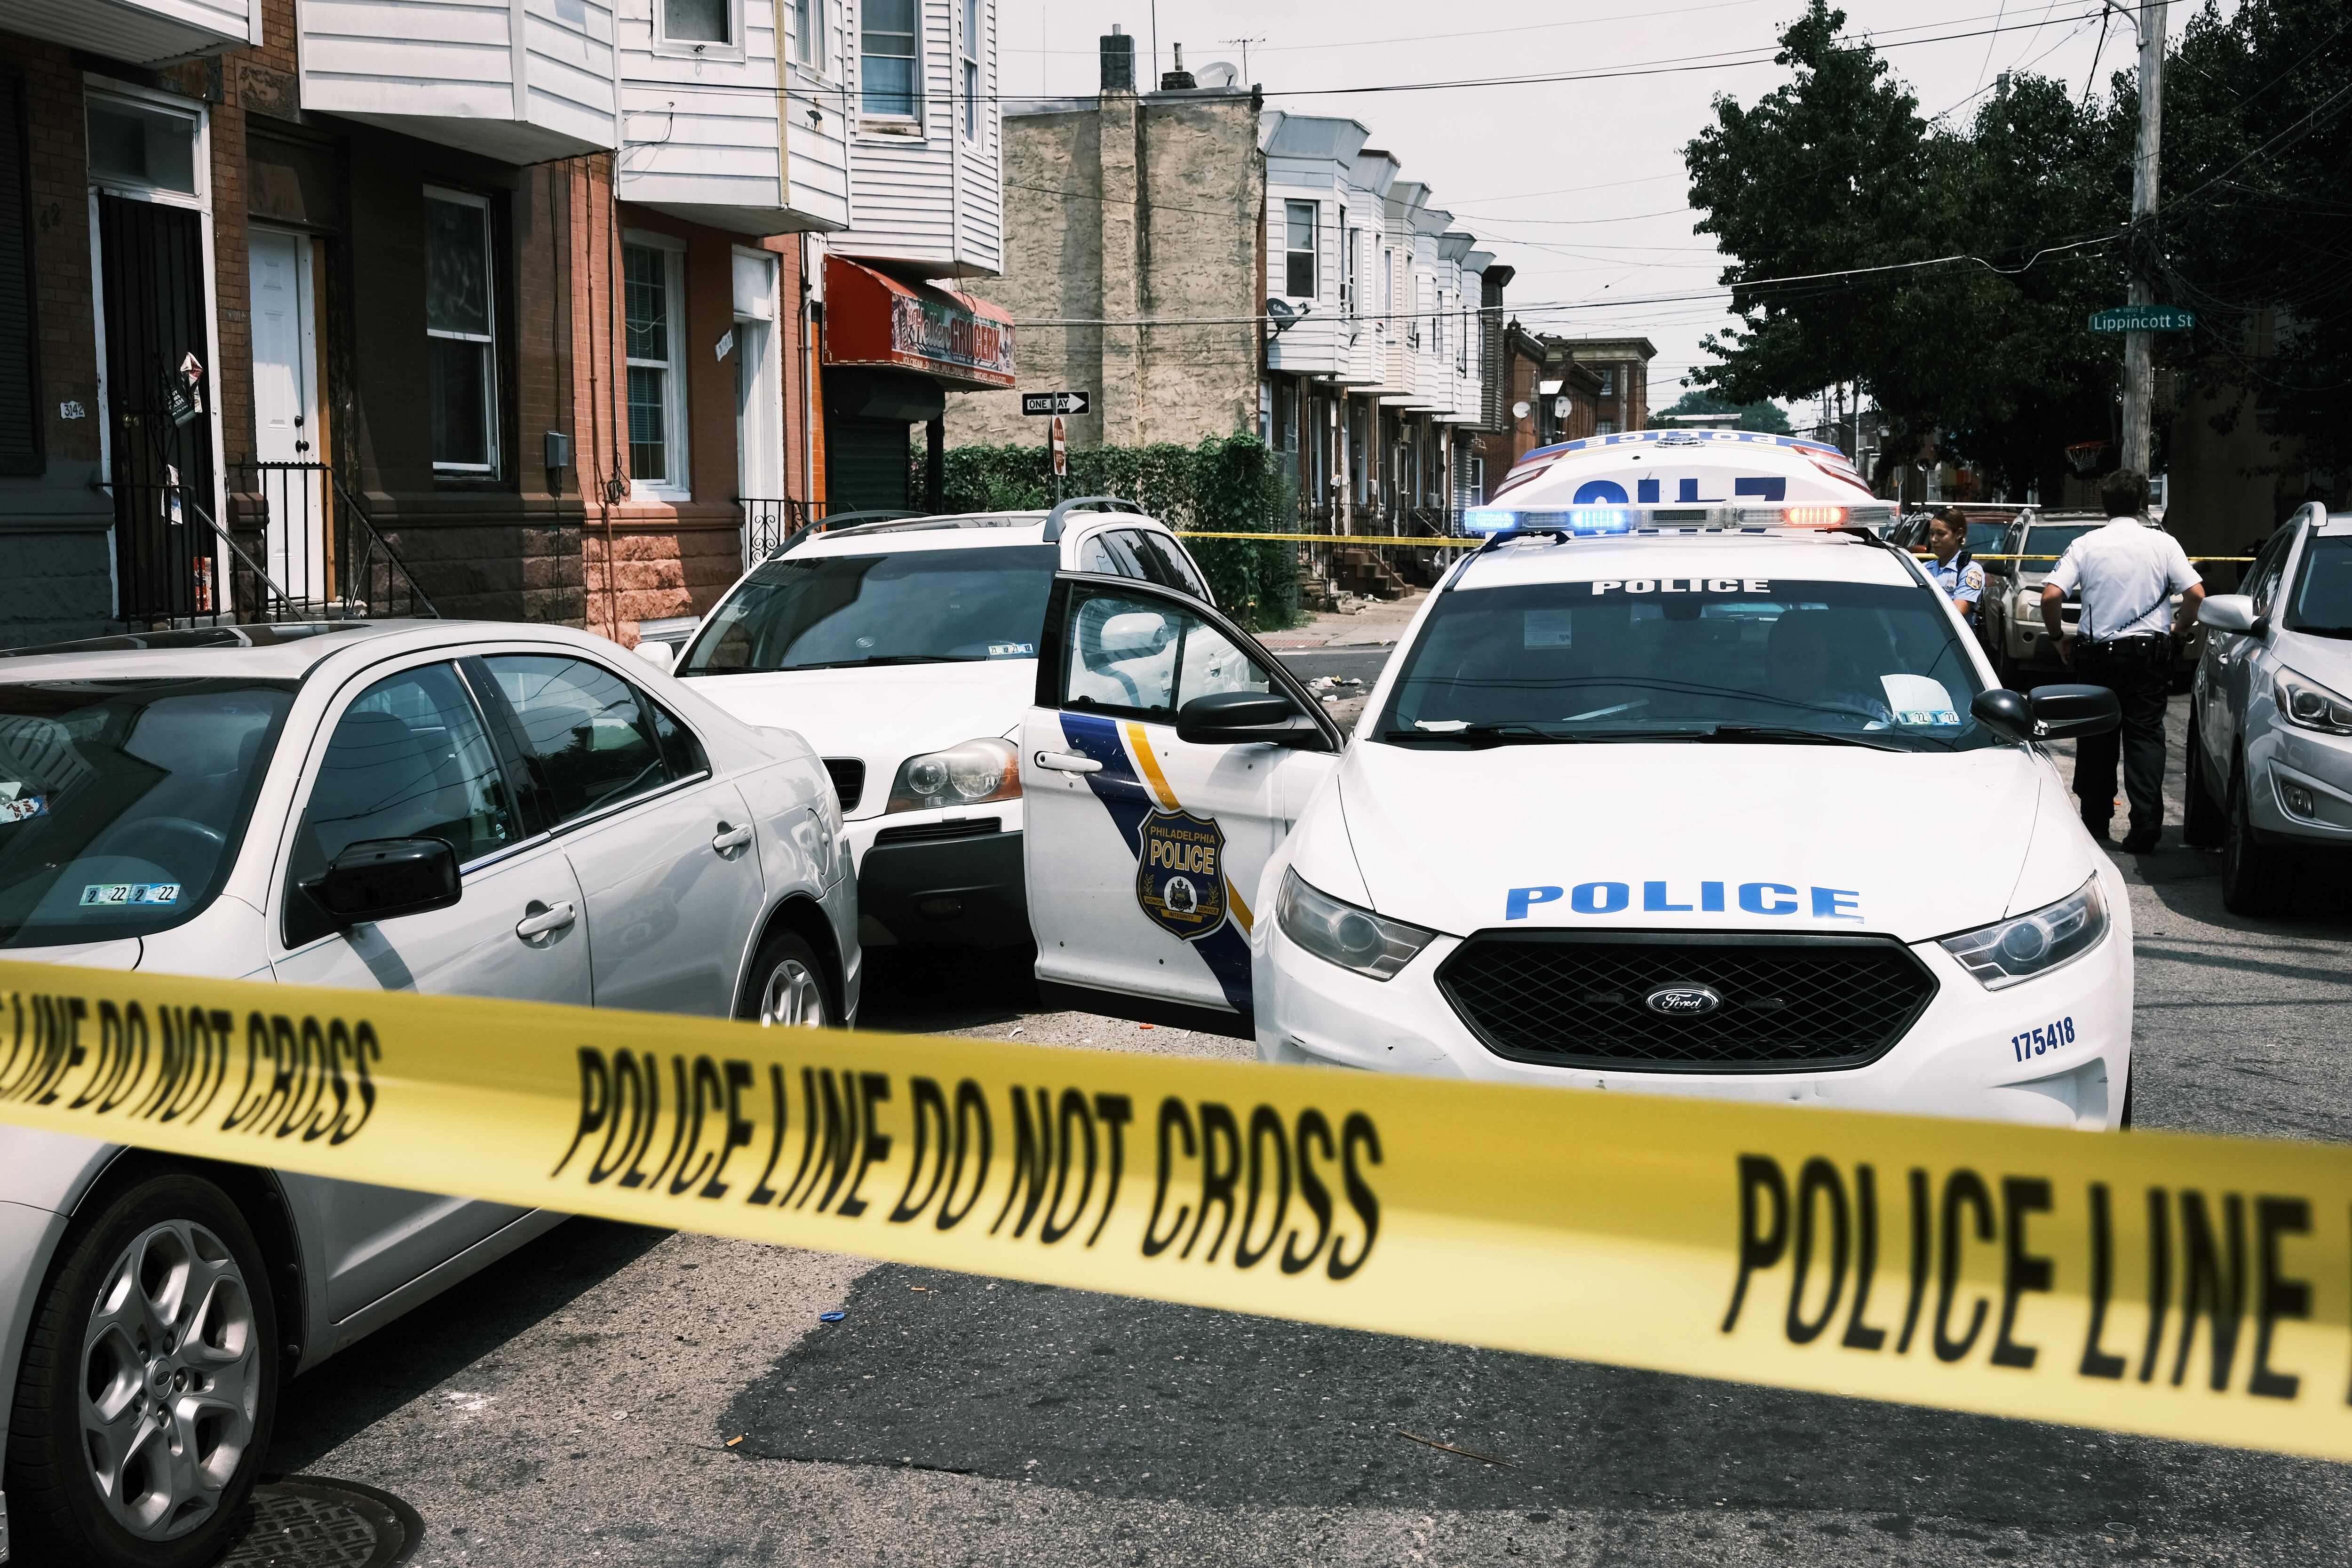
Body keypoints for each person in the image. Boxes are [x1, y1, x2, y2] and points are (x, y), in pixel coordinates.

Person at [2042, 469, 2205, 852]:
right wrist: (2180, 631)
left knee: (2096, 737)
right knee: (2145, 737)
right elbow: (2196, 594)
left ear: (2104, 505)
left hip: (2098, 657)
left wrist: (2058, 638)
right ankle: (2146, 820)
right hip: (2149, 657)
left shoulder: (2086, 544)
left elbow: (2050, 596)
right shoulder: (2163, 544)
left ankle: (2096, 821)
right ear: (2142, 503)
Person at [1921, 508, 1985, 623]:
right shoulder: (1924, 569)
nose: (1934, 539)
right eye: (1932, 534)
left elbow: (1958, 612)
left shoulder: (1969, 571)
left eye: (1941, 534)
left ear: (1959, 534)